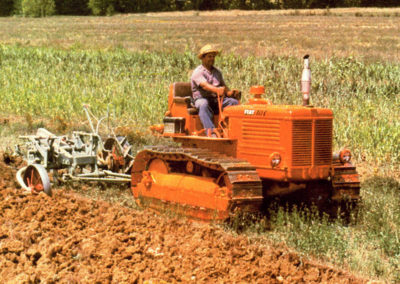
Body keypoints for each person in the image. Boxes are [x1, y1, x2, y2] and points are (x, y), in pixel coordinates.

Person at [190, 44, 238, 135]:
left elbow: (224, 87)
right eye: (209, 56)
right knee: (203, 104)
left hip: (215, 100)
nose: (212, 59)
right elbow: (205, 86)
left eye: (213, 56)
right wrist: (216, 90)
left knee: (233, 102)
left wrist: (230, 93)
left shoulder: (217, 72)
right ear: (203, 58)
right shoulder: (198, 72)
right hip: (201, 99)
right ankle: (211, 132)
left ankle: (229, 130)